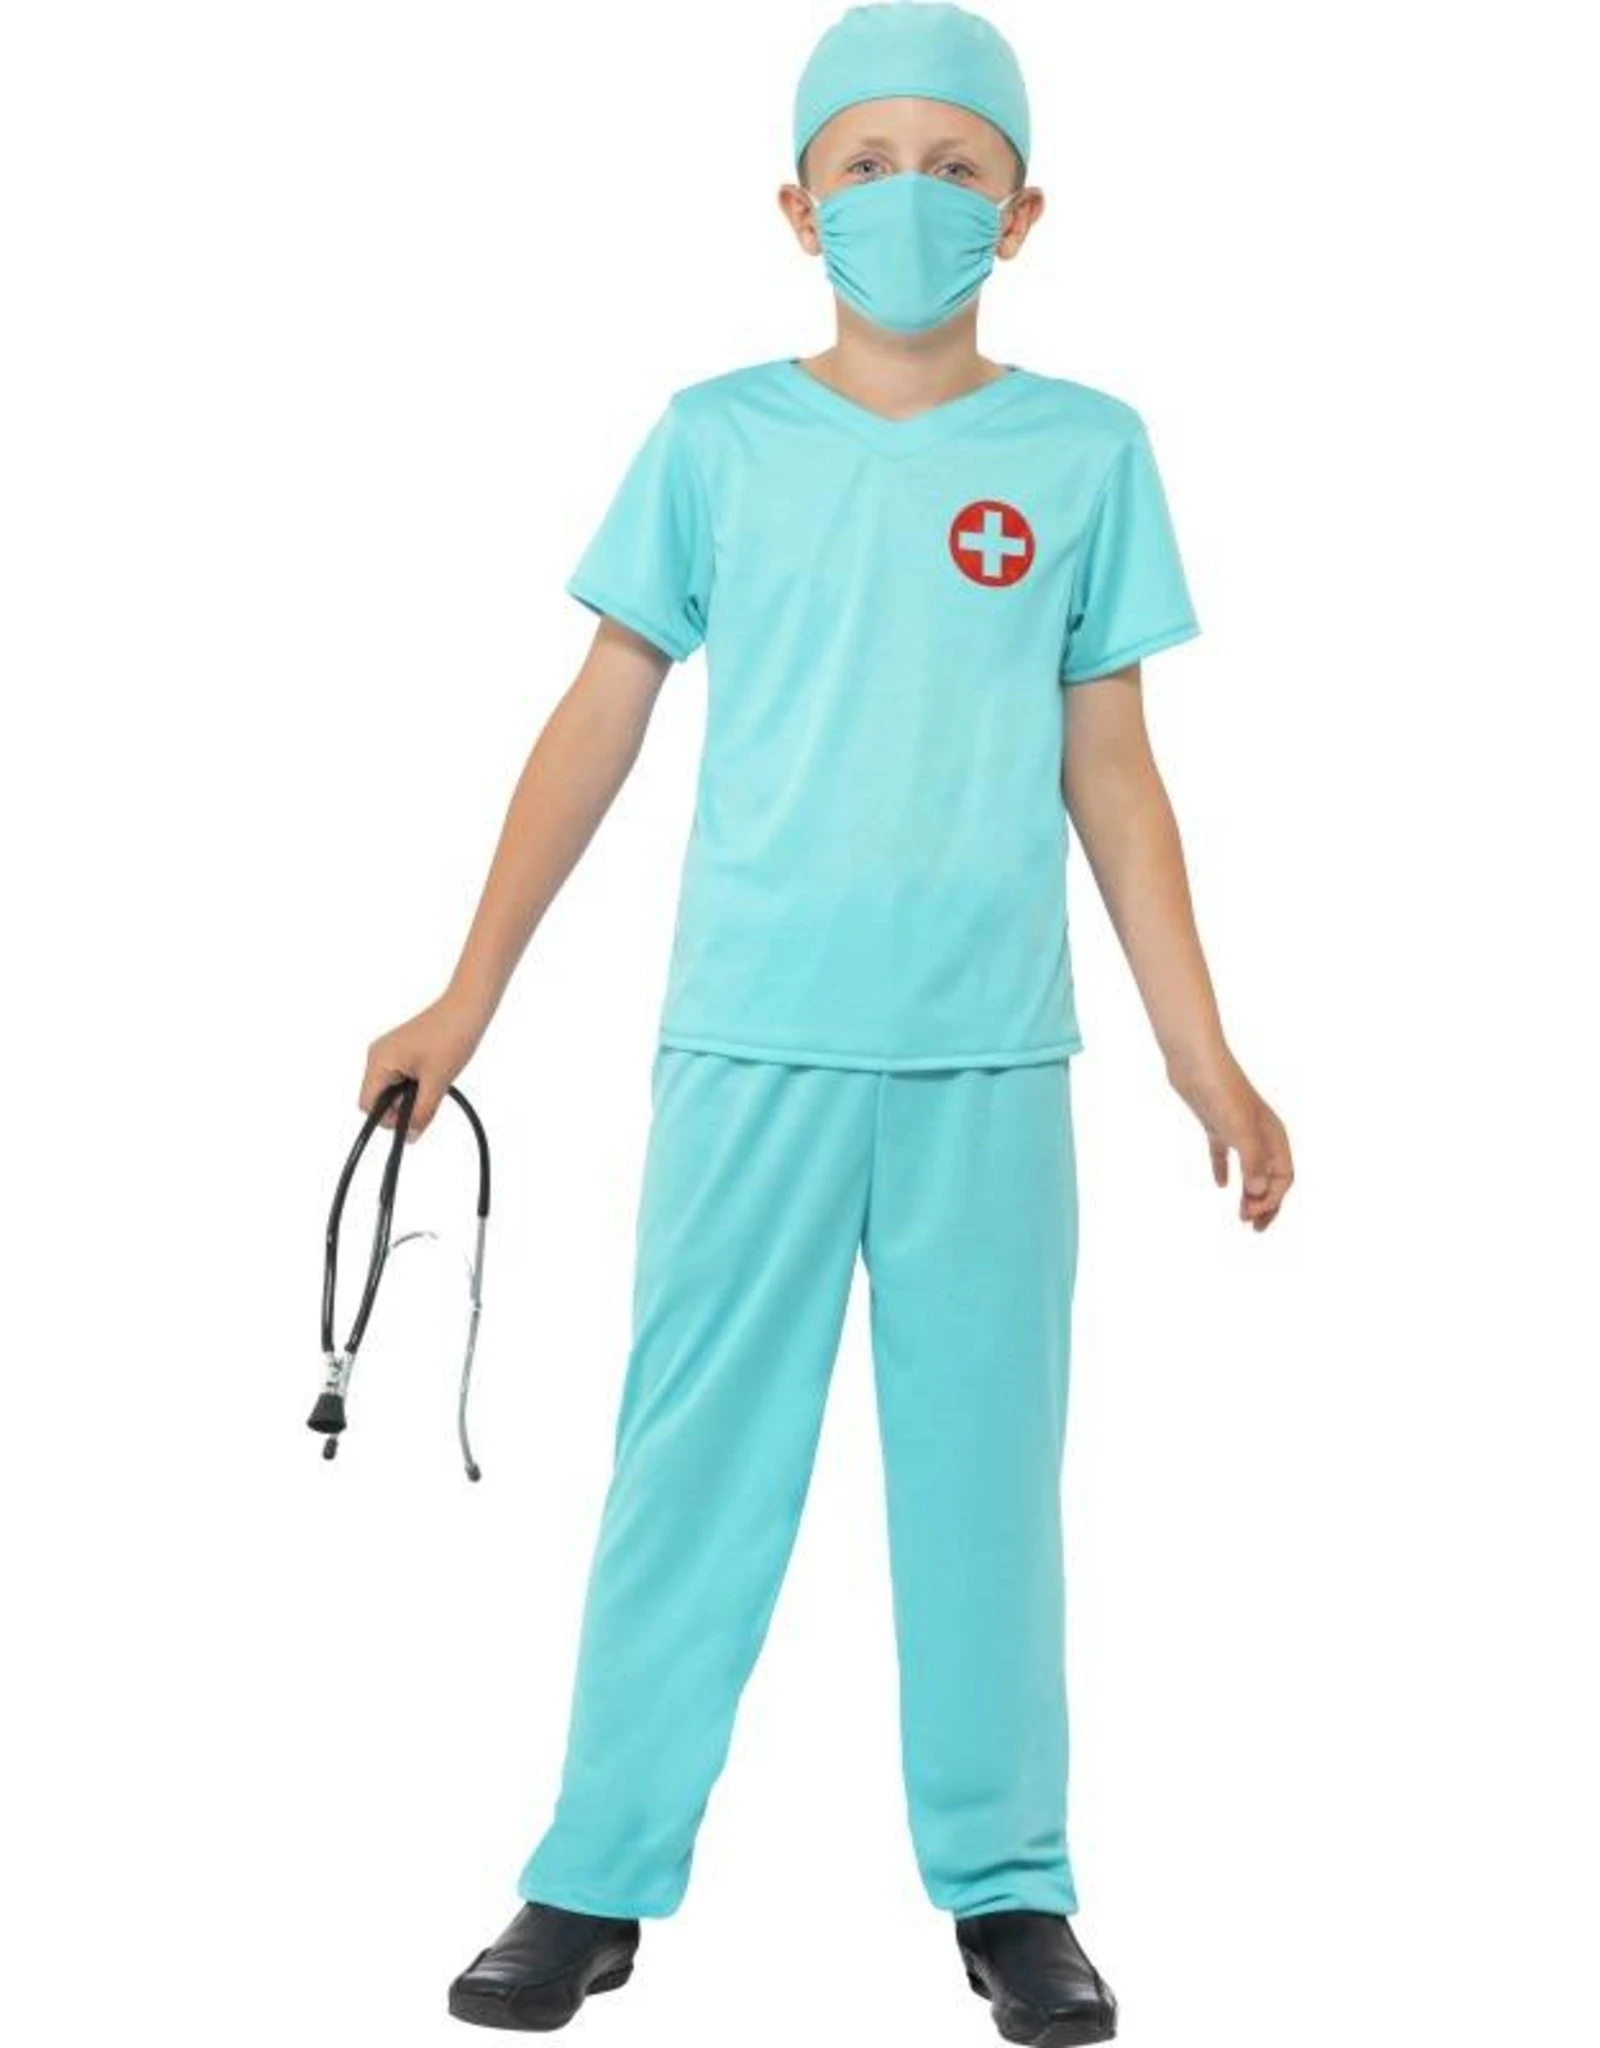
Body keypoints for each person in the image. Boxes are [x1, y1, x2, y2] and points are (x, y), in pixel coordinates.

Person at [361, 5, 1294, 2040]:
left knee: (984, 1487)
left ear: (1020, 216)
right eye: (864, 164)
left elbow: (1113, 768)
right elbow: (598, 718)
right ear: (797, 207)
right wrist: (466, 992)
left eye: (955, 169)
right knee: (689, 1467)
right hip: (754, 1044)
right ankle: (592, 1873)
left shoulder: (1082, 455)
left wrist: (1195, 1047)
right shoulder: (716, 443)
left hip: (986, 1060)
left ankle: (1011, 1889)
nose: (907, 199)